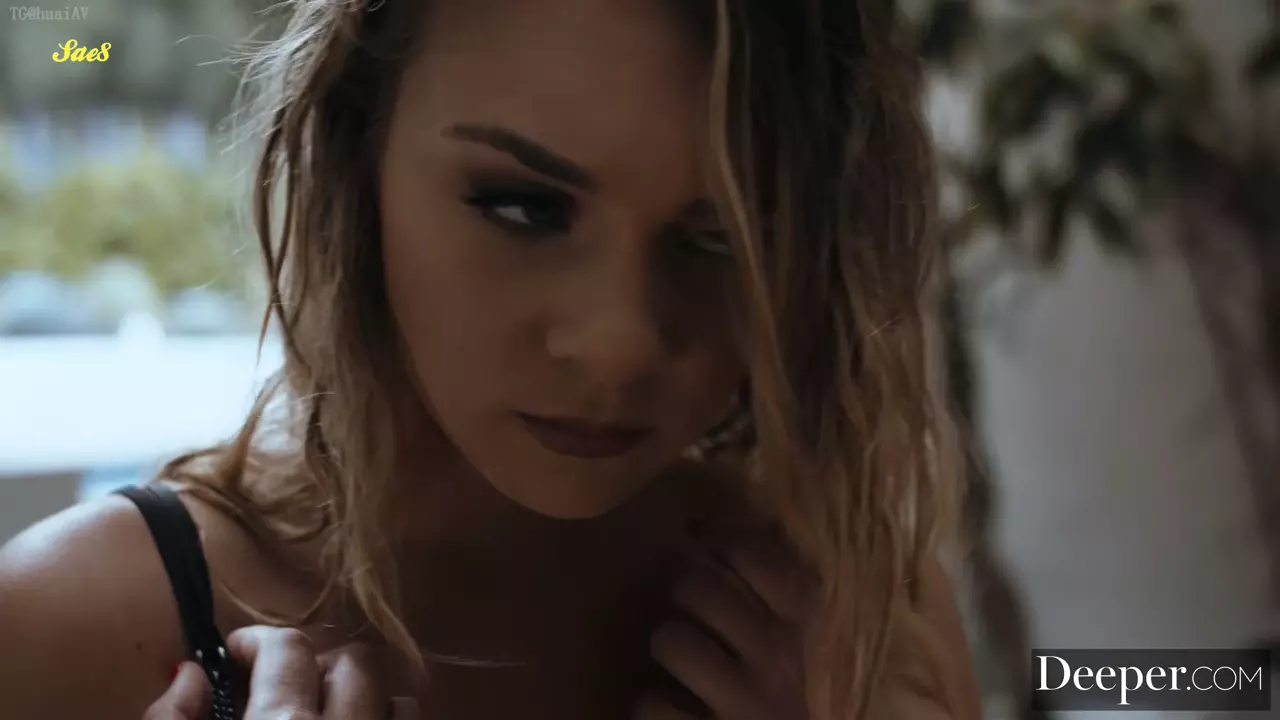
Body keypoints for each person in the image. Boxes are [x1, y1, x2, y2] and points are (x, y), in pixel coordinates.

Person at [0, 0, 981, 718]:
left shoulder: (849, 619)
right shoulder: (75, 627)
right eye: (523, 207)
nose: (620, 341)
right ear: (358, 154)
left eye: (723, 235)